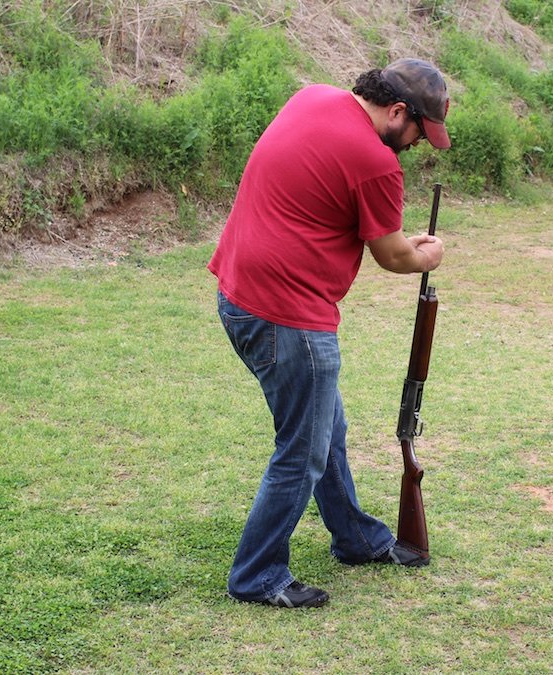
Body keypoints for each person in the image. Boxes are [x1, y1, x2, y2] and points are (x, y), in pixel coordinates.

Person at [208, 58, 450, 609]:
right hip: (288, 316)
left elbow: (323, 195)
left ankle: (357, 539)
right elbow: (391, 255)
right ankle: (257, 575)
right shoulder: (376, 162)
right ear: (396, 112)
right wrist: (427, 254)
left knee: (324, 430)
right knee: (302, 451)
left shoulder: (313, 97)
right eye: (418, 132)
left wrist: (400, 242)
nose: (415, 144)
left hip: (239, 295)